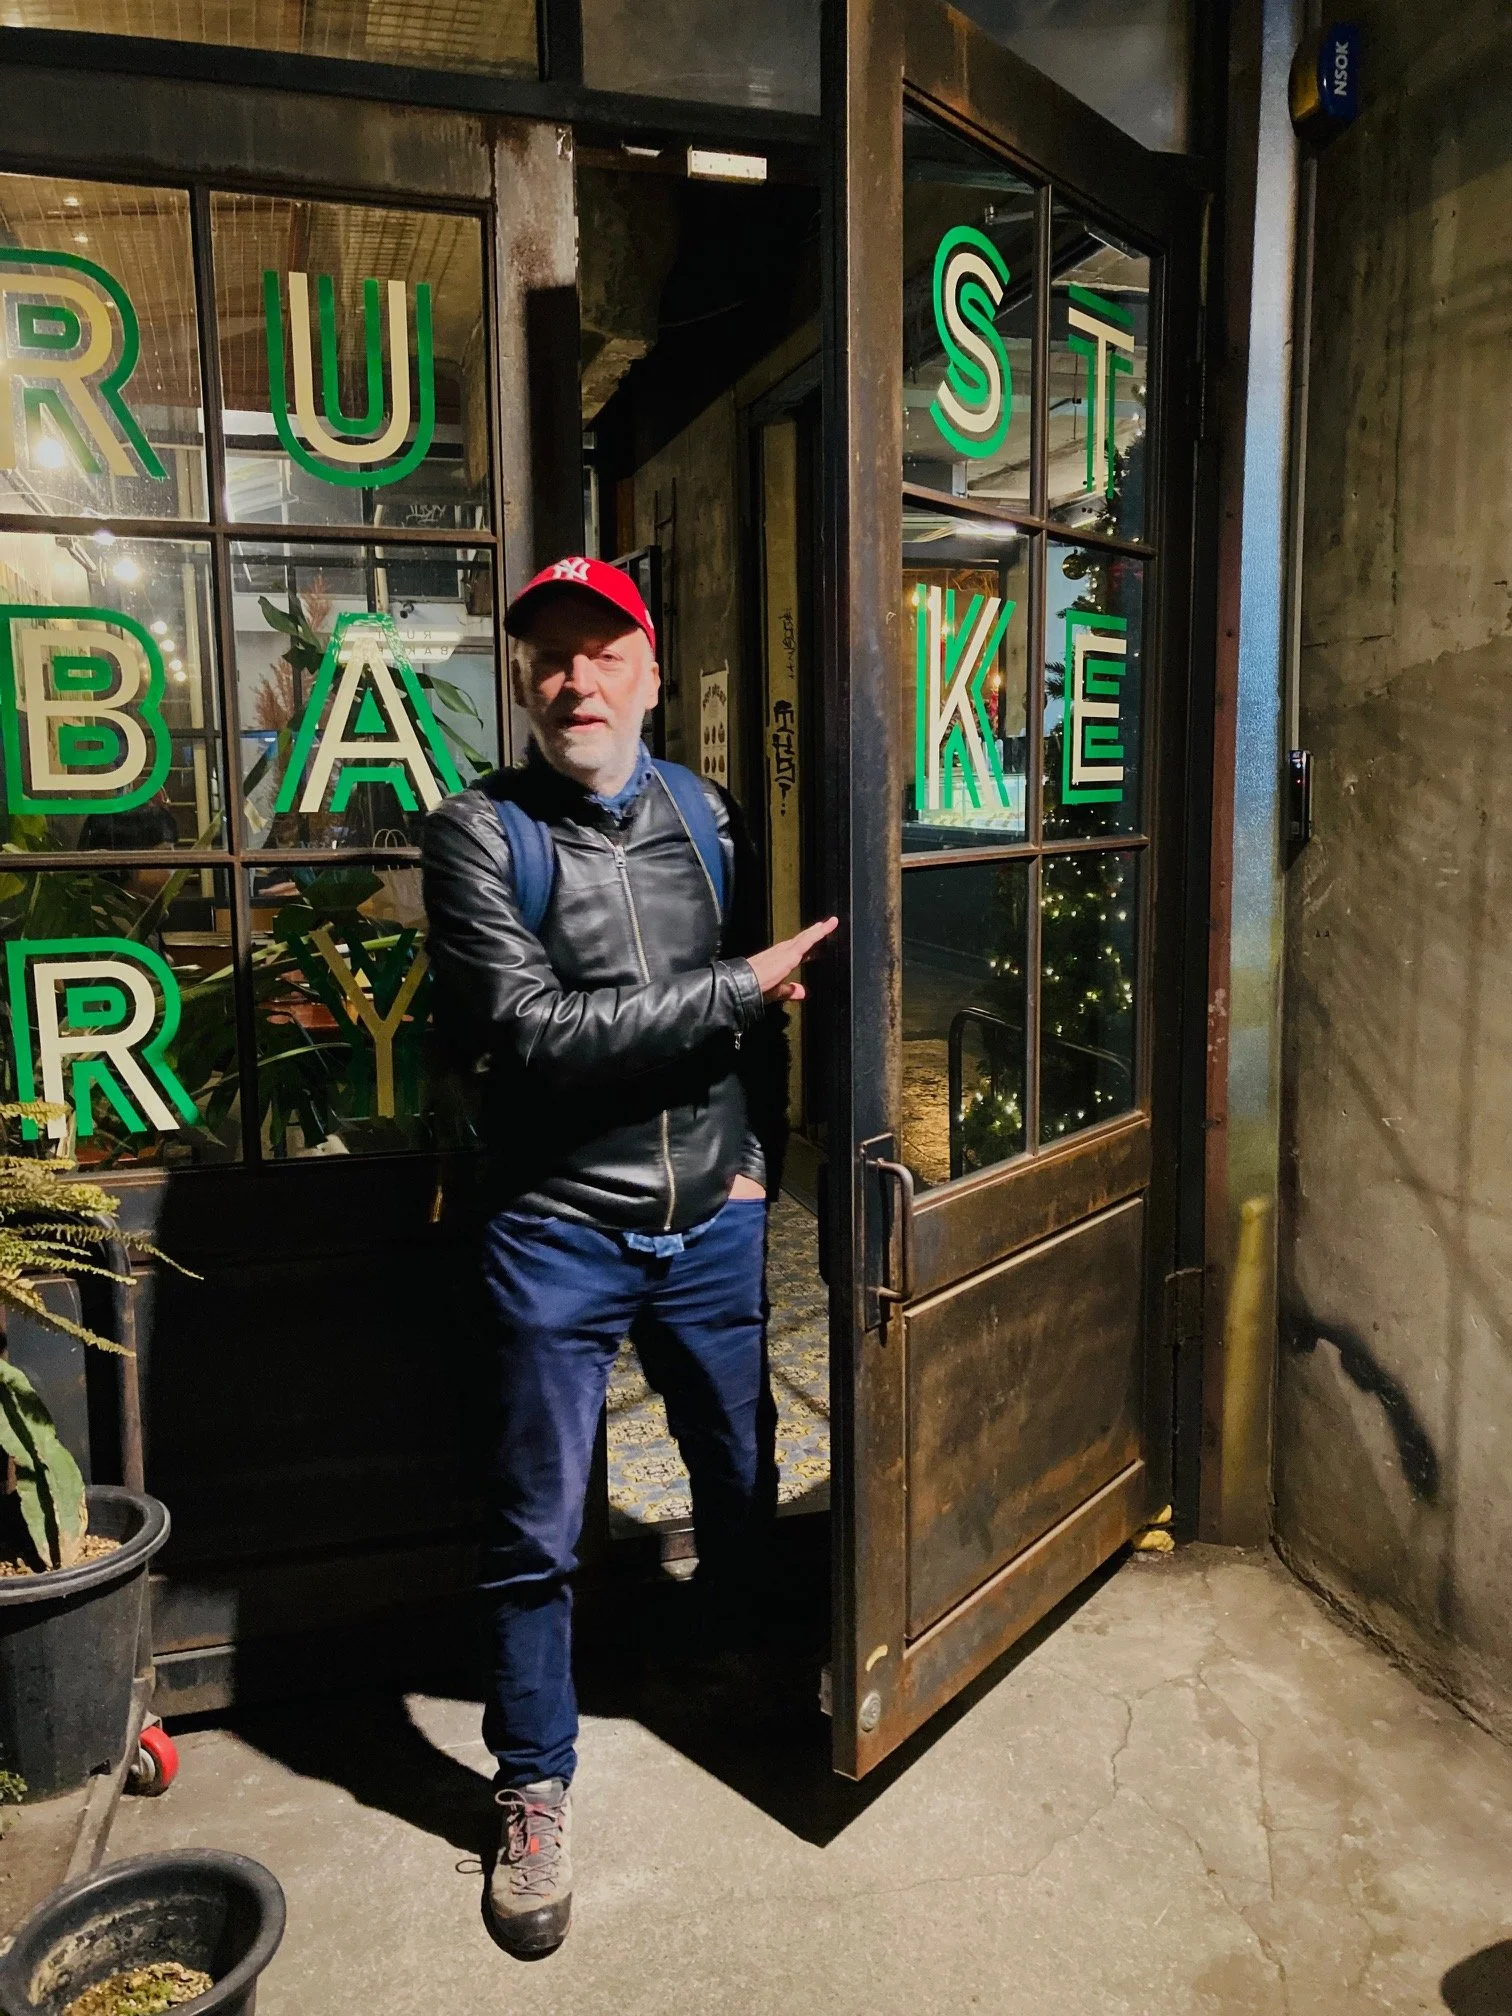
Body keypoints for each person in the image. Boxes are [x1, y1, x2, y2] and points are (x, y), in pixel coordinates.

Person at [421, 556, 836, 1960]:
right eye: (547, 656)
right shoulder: (478, 834)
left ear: (654, 673)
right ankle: (534, 1785)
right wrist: (737, 986)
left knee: (740, 1464)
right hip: (555, 1227)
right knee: (535, 1528)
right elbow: (528, 1032)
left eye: (603, 653)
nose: (572, 680)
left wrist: (753, 1161)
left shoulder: (703, 813)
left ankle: (747, 1661)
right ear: (522, 679)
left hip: (709, 1220)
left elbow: (760, 1013)